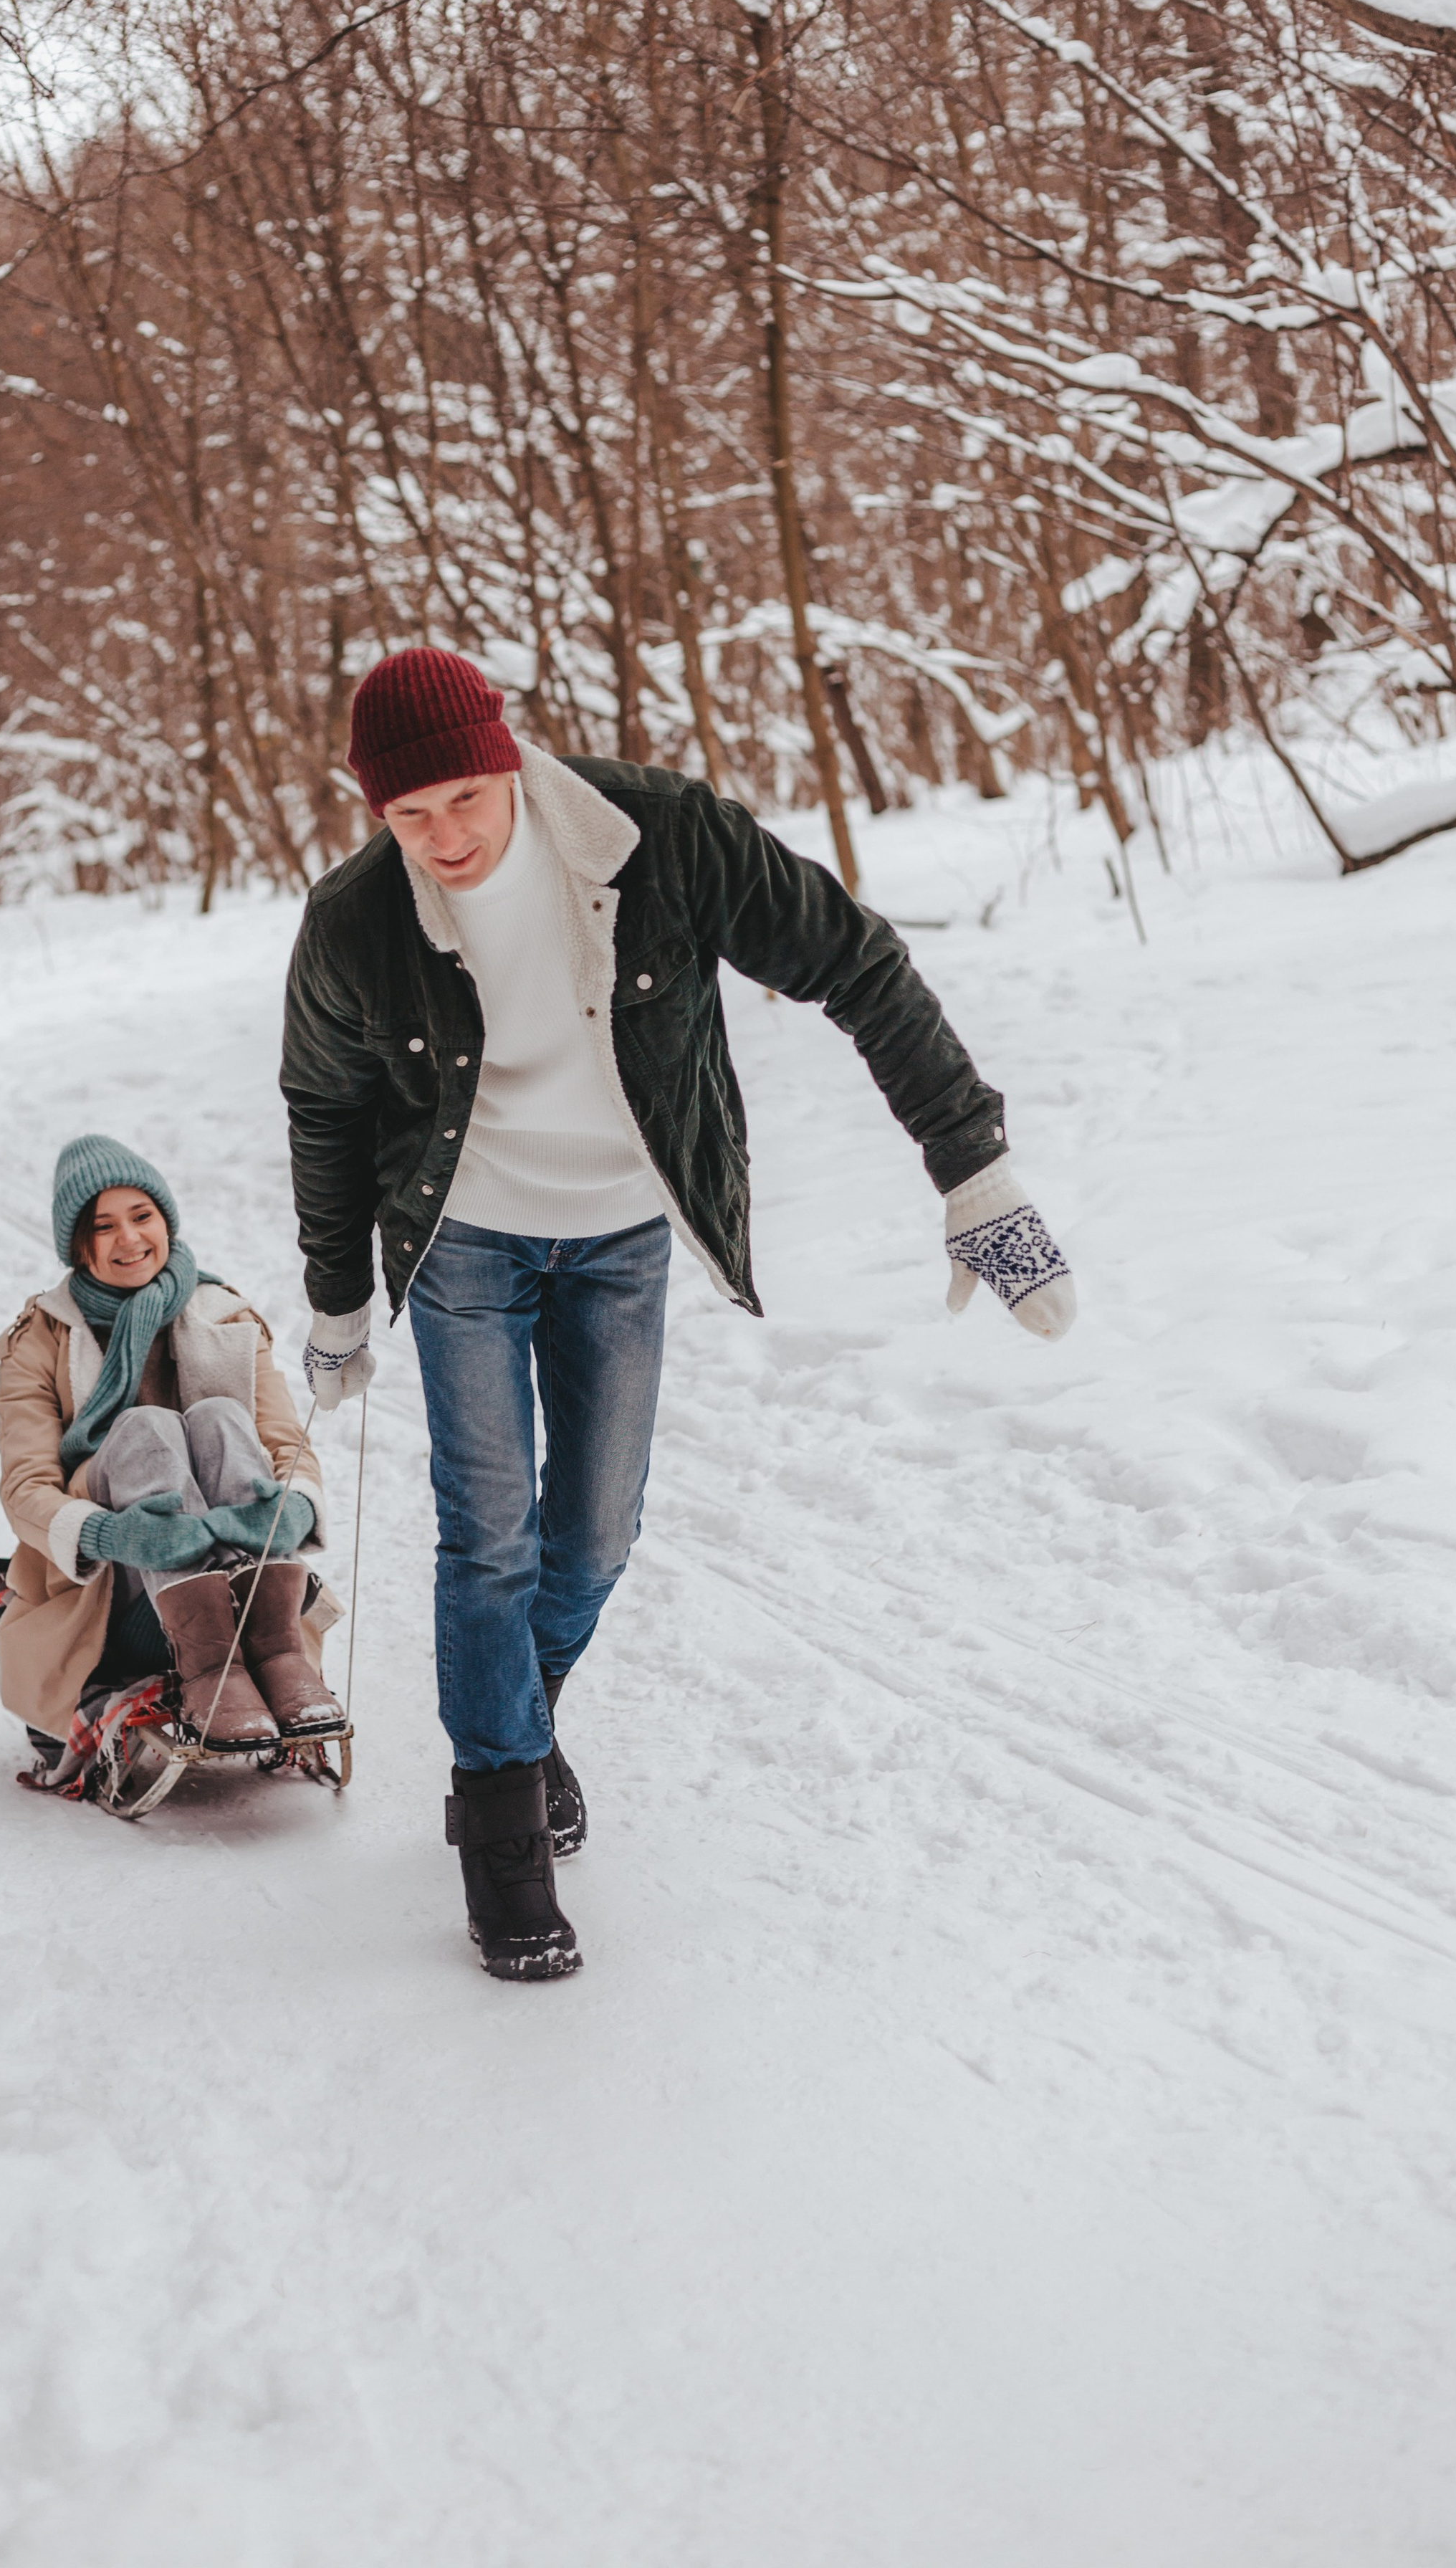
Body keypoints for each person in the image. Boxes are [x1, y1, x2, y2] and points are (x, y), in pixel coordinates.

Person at [280, 649, 1076, 1982]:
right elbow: (326, 1105)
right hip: (465, 1240)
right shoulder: (356, 921)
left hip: (619, 1236)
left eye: (466, 799)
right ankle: (503, 1832)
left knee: (589, 1536)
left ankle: (517, 1724)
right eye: (408, 817)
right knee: (491, 1540)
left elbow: (854, 961)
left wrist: (971, 1166)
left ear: (512, 757)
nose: (446, 839)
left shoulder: (657, 837)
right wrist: (339, 1297)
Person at [0, 1134, 341, 1782]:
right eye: (103, 1226)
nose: (129, 1239)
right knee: (148, 1428)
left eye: (141, 1216)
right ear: (79, 1245)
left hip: (245, 1582)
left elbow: (287, 1446)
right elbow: (25, 1485)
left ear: (166, 1221)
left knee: (220, 1418)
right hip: (116, 1594)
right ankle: (209, 1668)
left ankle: (271, 1653)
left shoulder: (227, 1317)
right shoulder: (40, 1339)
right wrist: (107, 1532)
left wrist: (293, 1508)